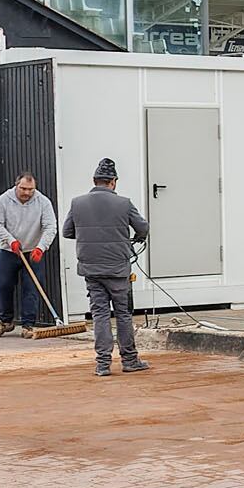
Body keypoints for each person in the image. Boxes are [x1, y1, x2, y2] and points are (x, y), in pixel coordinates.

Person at [62, 156, 151, 375]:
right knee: (122, 313)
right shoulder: (124, 203)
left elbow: (67, 231)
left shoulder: (77, 203)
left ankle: (102, 364)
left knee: (100, 314)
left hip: (91, 268)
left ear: (95, 180)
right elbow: (143, 228)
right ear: (113, 181)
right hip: (118, 268)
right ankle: (129, 360)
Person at [0, 170, 60, 335]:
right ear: (16, 186)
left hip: (33, 251)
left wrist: (41, 247)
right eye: (23, 189)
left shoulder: (43, 202)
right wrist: (10, 240)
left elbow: (50, 227)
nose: (27, 193)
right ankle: (5, 321)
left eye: (31, 189)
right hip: (9, 250)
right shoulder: (4, 200)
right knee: (4, 285)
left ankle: (28, 325)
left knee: (31, 288)